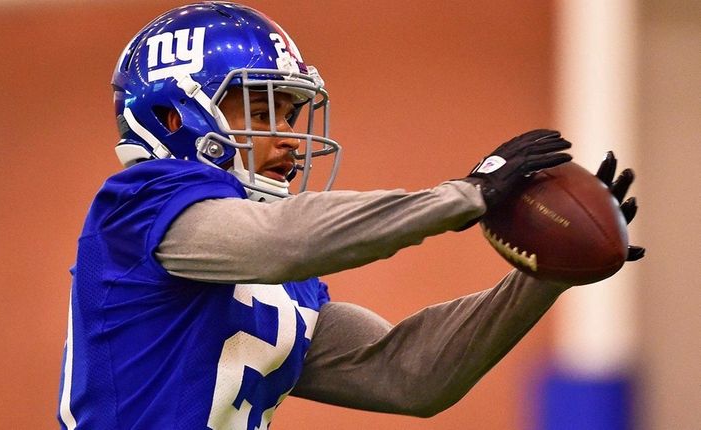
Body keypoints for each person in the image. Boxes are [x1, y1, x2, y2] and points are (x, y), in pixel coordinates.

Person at [57, 2, 644, 429]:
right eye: (267, 112)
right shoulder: (137, 207)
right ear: (177, 116)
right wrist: (465, 196)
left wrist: (547, 269)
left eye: (291, 116)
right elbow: (279, 242)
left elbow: (410, 375)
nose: (288, 140)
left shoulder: (277, 276)